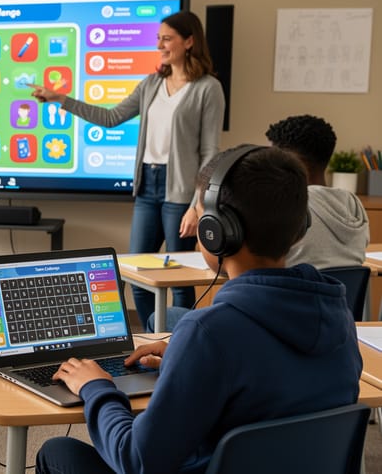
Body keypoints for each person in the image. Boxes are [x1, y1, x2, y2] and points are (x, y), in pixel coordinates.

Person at [36, 146, 362, 474]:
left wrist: (97, 388)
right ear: (298, 226)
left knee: (58, 451)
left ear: (216, 230)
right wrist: (183, 357)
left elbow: (137, 461)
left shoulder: (208, 333)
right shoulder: (339, 315)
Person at [30, 11, 224, 330]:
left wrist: (196, 206)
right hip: (148, 186)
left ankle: (180, 342)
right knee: (136, 273)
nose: (159, 44)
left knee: (178, 280)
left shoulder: (208, 88)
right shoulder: (151, 83)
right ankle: (152, 336)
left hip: (181, 192)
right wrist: (59, 99)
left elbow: (210, 151)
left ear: (189, 41)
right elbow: (110, 118)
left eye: (167, 38)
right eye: (158, 38)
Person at [265, 114, 370, 269]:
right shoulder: (353, 204)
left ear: (289, 161)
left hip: (292, 293)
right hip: (342, 294)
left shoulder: (288, 206)